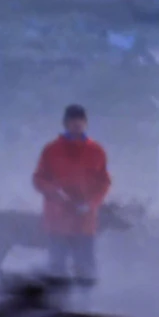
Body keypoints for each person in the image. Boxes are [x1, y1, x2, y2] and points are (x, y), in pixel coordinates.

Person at [32, 104, 112, 285]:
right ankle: (57, 308)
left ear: (85, 123)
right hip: (57, 220)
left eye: (80, 121)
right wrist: (55, 192)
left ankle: (87, 307)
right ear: (65, 124)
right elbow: (38, 179)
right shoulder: (51, 150)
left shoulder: (96, 151)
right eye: (72, 121)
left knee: (86, 269)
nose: (77, 124)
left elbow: (104, 182)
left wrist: (92, 203)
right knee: (57, 269)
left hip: (85, 220)